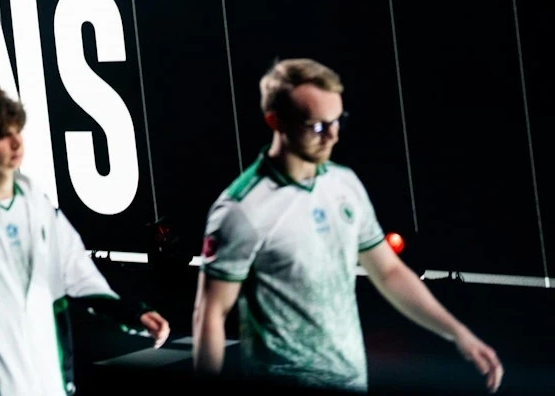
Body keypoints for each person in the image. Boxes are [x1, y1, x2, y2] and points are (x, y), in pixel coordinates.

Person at [192, 59, 504, 393]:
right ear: (275, 121)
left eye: (337, 121)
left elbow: (389, 272)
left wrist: (458, 333)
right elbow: (210, 313)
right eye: (316, 126)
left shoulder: (345, 184)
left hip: (352, 379)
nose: (332, 135)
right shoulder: (242, 209)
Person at [0, 88, 170, 395]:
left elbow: (79, 274)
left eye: (16, 130)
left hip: (50, 383)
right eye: (0, 135)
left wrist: (133, 314)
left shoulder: (40, 206)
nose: (16, 142)